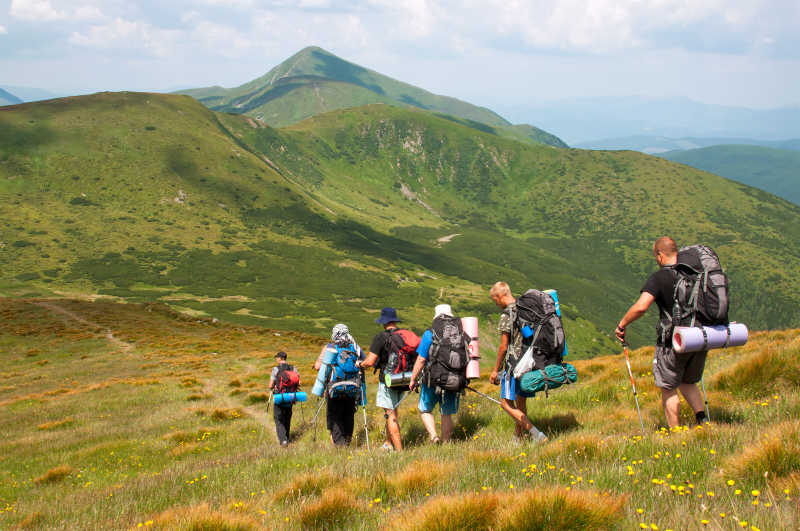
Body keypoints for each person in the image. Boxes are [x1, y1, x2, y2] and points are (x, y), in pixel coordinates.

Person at [615, 236, 708, 428]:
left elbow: (641, 307)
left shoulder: (660, 277)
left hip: (672, 342)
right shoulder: (694, 274)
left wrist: (622, 324)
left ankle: (676, 434)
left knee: (668, 387)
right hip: (699, 338)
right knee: (688, 381)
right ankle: (702, 420)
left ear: (659, 255)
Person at [488, 282, 548, 442]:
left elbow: (503, 346)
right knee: (521, 404)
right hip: (529, 363)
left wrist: (495, 370)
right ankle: (518, 437)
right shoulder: (526, 309)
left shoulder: (507, 315)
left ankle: (537, 435)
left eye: (495, 300)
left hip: (513, 365)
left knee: (506, 404)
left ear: (499, 296)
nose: (496, 304)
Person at [357, 307, 417, 451]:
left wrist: (360, 363)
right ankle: (388, 444)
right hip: (403, 380)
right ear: (395, 321)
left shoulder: (380, 337)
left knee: (391, 416)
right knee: (392, 413)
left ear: (384, 322)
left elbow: (370, 361)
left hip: (388, 381)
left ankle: (400, 452)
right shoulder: (403, 336)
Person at [409, 304, 463, 444]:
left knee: (425, 409)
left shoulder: (430, 333)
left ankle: (434, 437)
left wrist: (413, 379)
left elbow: (421, 359)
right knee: (446, 413)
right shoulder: (460, 333)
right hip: (453, 379)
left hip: (431, 380)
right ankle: (446, 443)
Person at [314, 324, 365, 447]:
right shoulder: (355, 347)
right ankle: (347, 442)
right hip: (352, 388)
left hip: (334, 389)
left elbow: (317, 367)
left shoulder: (330, 347)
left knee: (335, 416)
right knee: (348, 415)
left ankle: (339, 446)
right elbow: (364, 362)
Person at [268, 351, 299, 447]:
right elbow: (299, 382)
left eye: (277, 357)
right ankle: (287, 437)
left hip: (279, 397)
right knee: (287, 417)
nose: (276, 359)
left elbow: (270, 385)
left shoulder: (275, 369)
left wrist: (272, 388)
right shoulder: (293, 368)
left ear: (280, 358)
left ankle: (283, 440)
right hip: (290, 397)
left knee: (278, 418)